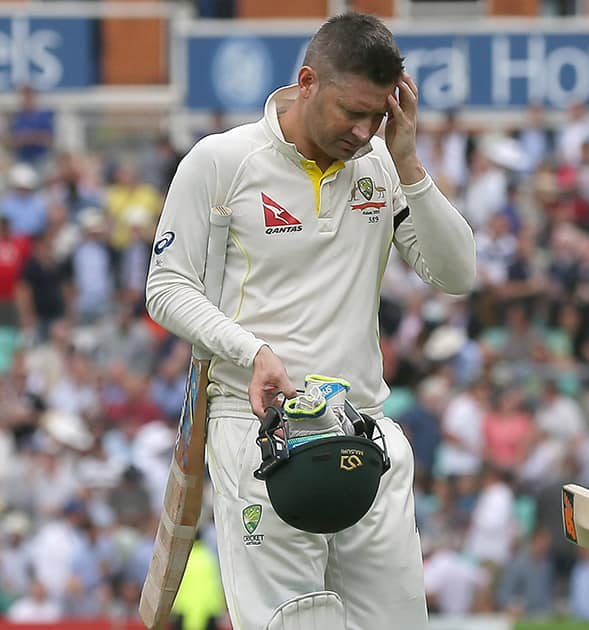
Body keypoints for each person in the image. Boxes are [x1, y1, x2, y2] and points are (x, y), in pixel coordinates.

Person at [145, 12, 475, 630]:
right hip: (263, 432)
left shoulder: (381, 165)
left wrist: (408, 162)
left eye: (378, 115)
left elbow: (457, 274)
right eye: (351, 111)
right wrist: (253, 351)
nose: (361, 130)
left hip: (364, 431)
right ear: (307, 82)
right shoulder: (222, 161)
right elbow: (166, 288)